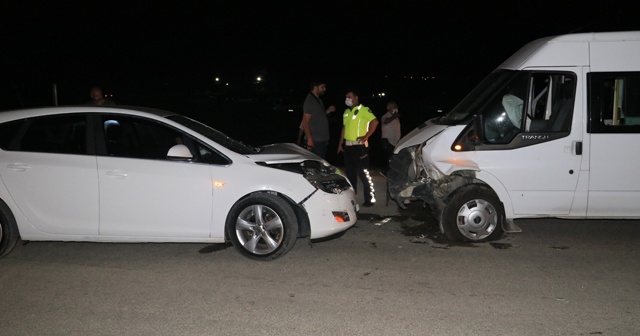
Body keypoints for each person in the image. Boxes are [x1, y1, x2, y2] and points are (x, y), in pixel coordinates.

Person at [337, 89, 379, 207]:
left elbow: (375, 122)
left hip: (360, 147)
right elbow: (344, 128)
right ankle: (353, 199)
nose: (347, 99)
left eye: (349, 96)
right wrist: (340, 143)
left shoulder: (364, 110)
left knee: (364, 174)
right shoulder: (346, 112)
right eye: (346, 96)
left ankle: (369, 199)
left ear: (356, 98)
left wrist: (366, 136)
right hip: (348, 147)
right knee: (350, 175)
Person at [300, 80, 335, 158]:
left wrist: (328, 110)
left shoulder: (318, 100)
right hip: (315, 142)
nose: (324, 89)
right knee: (314, 166)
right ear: (315, 88)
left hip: (320, 141)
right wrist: (310, 140)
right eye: (322, 87)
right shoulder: (310, 101)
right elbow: (305, 122)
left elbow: (319, 115)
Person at [380, 101, 401, 176]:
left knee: (394, 158)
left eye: (396, 107)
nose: (396, 108)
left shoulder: (396, 119)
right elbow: (386, 121)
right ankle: (385, 171)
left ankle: (388, 172)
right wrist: (394, 116)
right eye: (394, 107)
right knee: (392, 158)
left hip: (395, 142)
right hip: (388, 141)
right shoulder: (385, 116)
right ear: (389, 108)